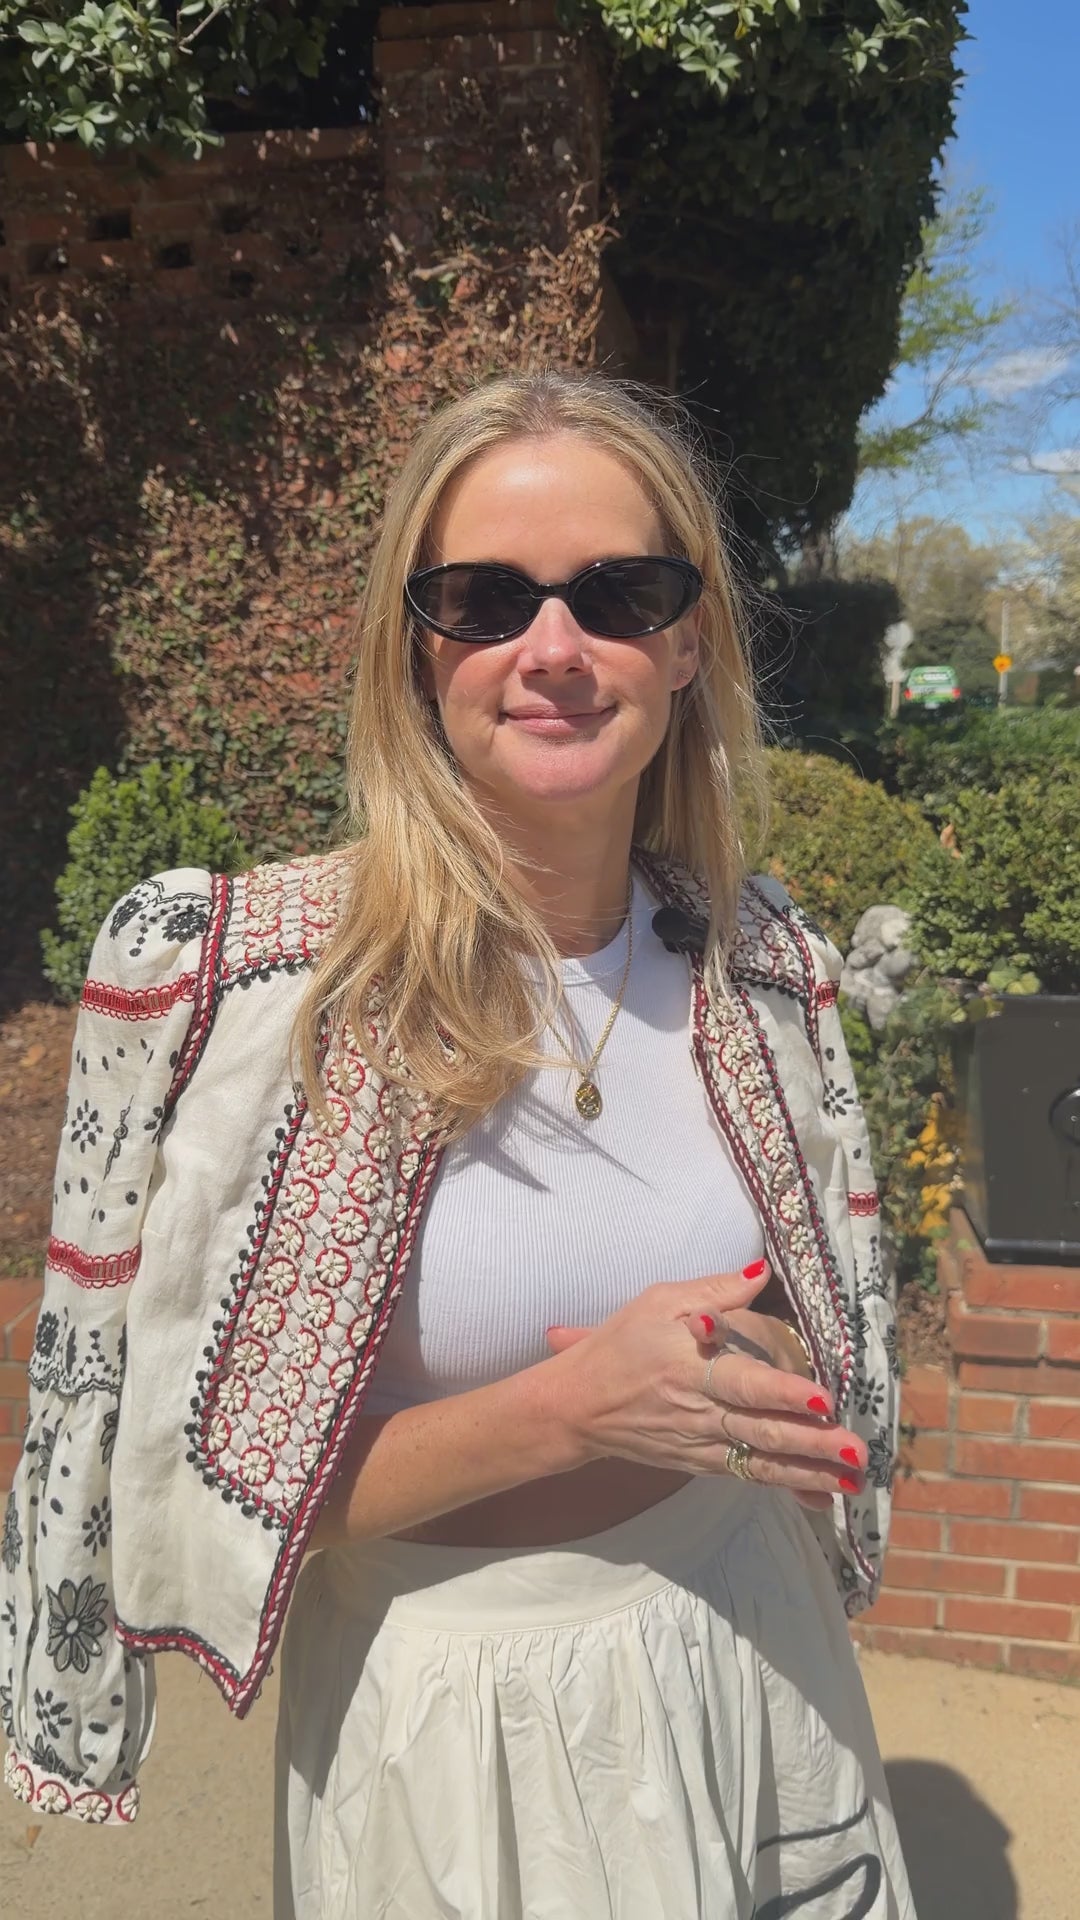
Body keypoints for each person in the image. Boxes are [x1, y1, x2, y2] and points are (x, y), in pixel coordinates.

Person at [1, 370, 913, 1918]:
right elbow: (167, 1500)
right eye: (484, 598)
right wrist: (570, 1409)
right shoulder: (232, 985)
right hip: (458, 1725)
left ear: (687, 644)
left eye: (621, 593)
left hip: (758, 1646)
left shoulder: (764, 964)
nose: (553, 648)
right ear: (414, 652)